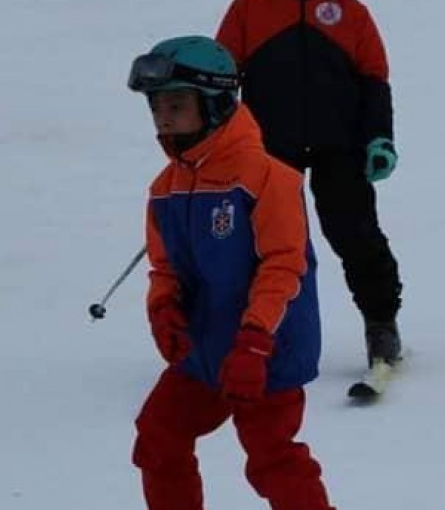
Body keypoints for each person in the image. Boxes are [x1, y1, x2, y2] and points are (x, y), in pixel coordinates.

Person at [127, 35, 335, 510]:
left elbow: (285, 266)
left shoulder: (268, 178)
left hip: (265, 350)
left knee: (271, 458)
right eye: (156, 106)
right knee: (158, 437)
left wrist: (255, 341)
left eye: (176, 103)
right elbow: (165, 268)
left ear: (216, 103)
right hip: (205, 350)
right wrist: (162, 308)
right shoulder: (164, 190)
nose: (163, 116)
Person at [215, 0, 404, 373]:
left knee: (354, 233)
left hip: (339, 144)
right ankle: (251, 330)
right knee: (266, 242)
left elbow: (374, 81)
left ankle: (381, 324)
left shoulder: (351, 13)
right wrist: (216, 137)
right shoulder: (248, 10)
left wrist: (379, 139)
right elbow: (220, 80)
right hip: (270, 148)